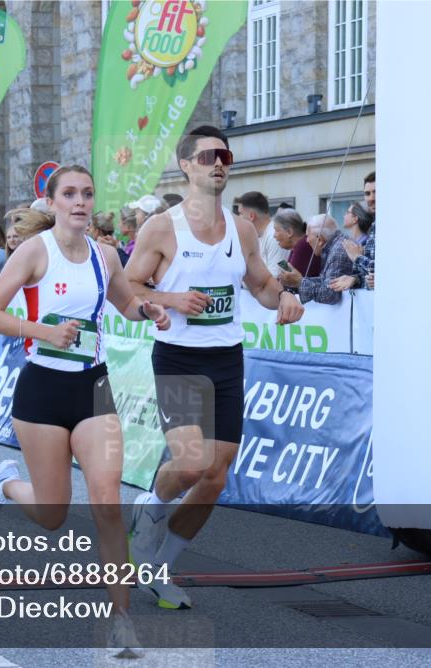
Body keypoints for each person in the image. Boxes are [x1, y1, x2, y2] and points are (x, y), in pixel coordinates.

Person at [0, 165, 170, 658]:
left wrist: (151, 310)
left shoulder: (105, 255)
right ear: (53, 202)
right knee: (52, 513)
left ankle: (121, 621)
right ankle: (4, 483)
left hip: (93, 387)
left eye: (87, 193)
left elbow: (128, 304)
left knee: (107, 501)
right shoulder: (32, 253)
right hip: (42, 391)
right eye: (70, 194)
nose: (80, 202)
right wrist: (44, 332)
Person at [124, 125, 304, 610]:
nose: (218, 163)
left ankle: (161, 569)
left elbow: (262, 285)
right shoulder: (162, 227)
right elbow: (127, 291)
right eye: (207, 156)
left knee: (215, 476)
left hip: (227, 358)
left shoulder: (242, 228)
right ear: (186, 165)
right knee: (191, 463)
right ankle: (148, 510)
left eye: (224, 155)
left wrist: (285, 297)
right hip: (180, 358)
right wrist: (169, 298)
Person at [280, 214, 353, 305]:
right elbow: (325, 282)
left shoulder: (338, 250)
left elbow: (331, 294)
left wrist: (300, 282)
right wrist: (301, 281)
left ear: (320, 239)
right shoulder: (335, 245)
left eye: (308, 236)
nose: (306, 240)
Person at [234, 191, 288, 277]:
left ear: (251, 216)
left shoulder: (274, 237)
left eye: (240, 213)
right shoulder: (256, 236)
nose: (238, 218)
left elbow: (276, 276)